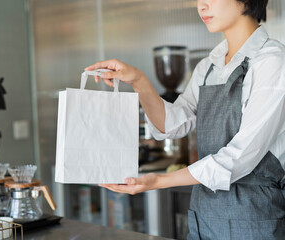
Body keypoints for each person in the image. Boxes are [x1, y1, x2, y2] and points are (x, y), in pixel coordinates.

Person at [86, 0, 285, 239]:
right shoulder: (208, 67)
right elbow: (170, 125)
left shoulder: (272, 62)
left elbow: (239, 157)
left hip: (253, 220)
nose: (201, 6)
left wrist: (158, 180)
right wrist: (138, 80)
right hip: (204, 218)